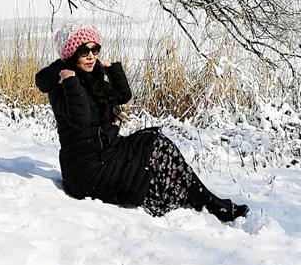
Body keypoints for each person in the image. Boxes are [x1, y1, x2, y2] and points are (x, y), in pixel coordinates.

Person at [35, 23, 249, 221]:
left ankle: (208, 201)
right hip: (86, 171)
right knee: (149, 172)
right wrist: (70, 81)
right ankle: (210, 204)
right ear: (71, 53)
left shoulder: (91, 78)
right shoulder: (62, 86)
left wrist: (111, 69)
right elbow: (80, 119)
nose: (91, 56)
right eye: (84, 51)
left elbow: (122, 96)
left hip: (107, 153)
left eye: (95, 49)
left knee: (156, 142)